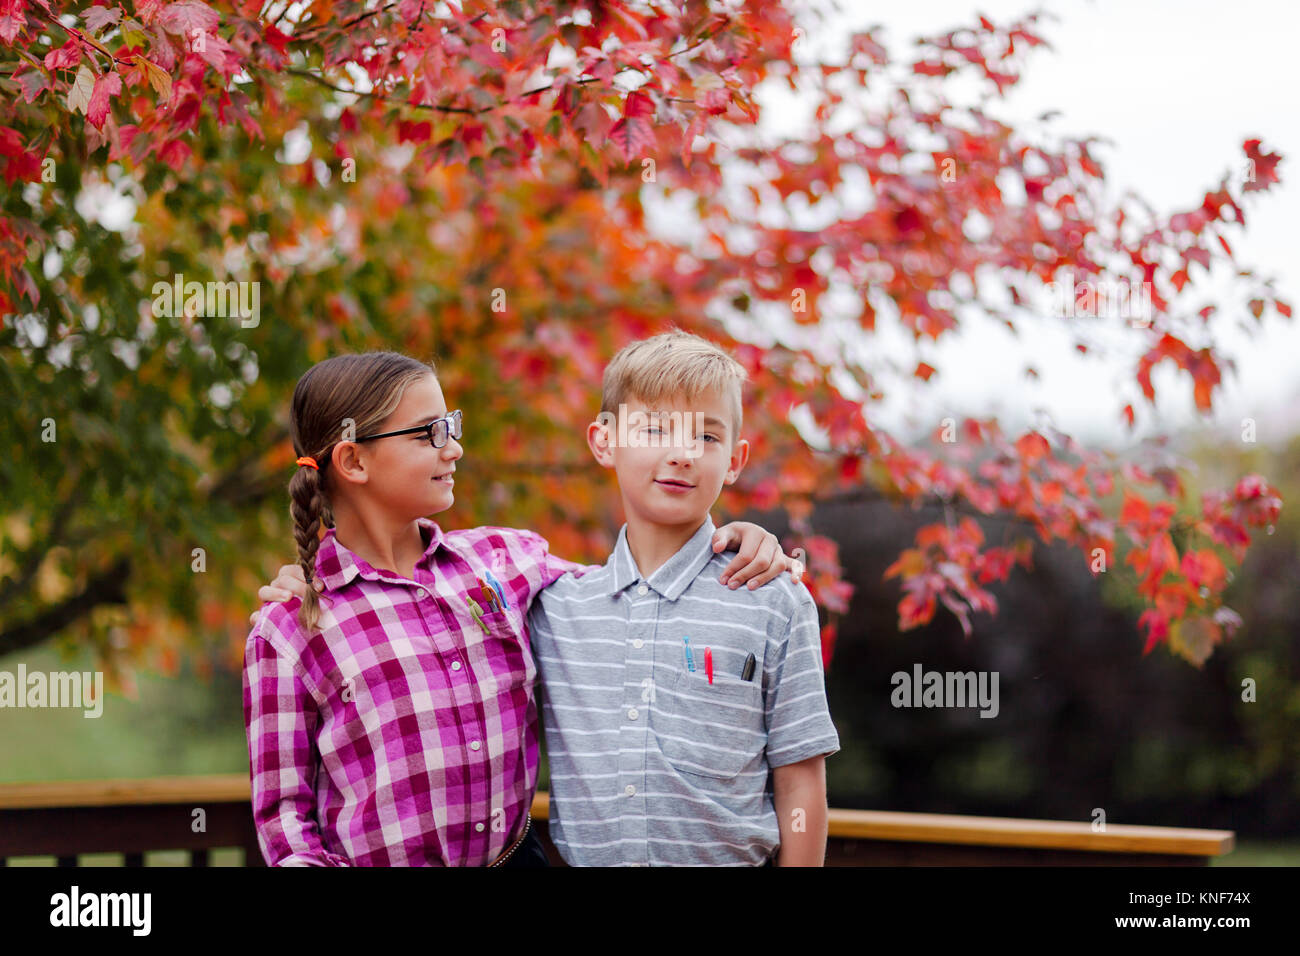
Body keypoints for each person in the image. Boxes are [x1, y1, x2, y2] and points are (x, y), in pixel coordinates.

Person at [243, 350, 796, 866]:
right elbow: (285, 820)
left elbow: (634, 589)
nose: (454, 447)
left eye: (451, 426)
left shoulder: (504, 562)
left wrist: (733, 539)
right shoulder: (291, 627)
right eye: (430, 434)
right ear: (353, 460)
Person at [528, 331, 840, 865]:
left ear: (736, 459)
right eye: (653, 429)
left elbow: (801, 778)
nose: (681, 453)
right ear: (605, 441)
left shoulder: (773, 598)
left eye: (706, 437)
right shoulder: (553, 608)